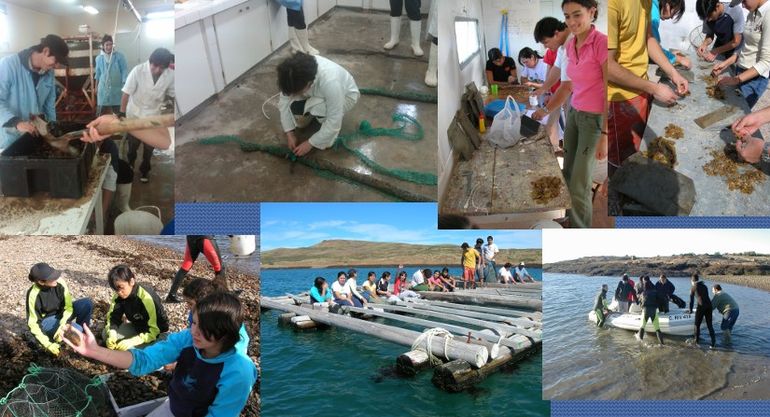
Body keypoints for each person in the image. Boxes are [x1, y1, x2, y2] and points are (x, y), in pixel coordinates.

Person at [64, 292, 257, 417]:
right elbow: (144, 360)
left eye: (203, 327)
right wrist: (94, 351)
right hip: (174, 406)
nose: (194, 331)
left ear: (225, 331)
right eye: (194, 322)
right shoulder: (188, 339)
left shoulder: (239, 371)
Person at [533, 0, 607, 228]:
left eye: (577, 15)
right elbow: (565, 80)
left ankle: (580, 228)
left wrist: (604, 134)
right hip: (575, 111)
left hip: (594, 120)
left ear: (592, 12)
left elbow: (609, 91)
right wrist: (544, 89)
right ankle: (570, 217)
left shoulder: (601, 43)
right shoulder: (569, 45)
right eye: (567, 16)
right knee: (567, 171)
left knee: (580, 183)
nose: (572, 22)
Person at [606, 0, 688, 176]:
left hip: (640, 88)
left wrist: (673, 73)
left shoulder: (647, 3)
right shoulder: (612, 4)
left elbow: (648, 38)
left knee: (638, 151)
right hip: (618, 99)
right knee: (620, 161)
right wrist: (654, 88)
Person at [277, 52, 360, 157]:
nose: (293, 95)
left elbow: (334, 120)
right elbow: (284, 102)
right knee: (293, 104)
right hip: (320, 91)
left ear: (308, 84)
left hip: (346, 96)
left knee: (319, 109)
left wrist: (310, 143)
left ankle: (327, 136)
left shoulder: (331, 82)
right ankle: (313, 115)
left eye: (296, 92)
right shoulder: (291, 74)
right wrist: (289, 132)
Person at [0, 34, 68, 150]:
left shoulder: (49, 73)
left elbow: (49, 105)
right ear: (46, 51)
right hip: (10, 139)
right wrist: (17, 123)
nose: (56, 66)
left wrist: (53, 131)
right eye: (56, 60)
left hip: (34, 135)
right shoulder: (8, 66)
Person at [122, 47, 174, 183]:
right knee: (132, 146)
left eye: (161, 68)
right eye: (155, 66)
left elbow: (173, 94)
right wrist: (121, 114)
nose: (157, 70)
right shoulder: (138, 71)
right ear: (150, 62)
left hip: (153, 115)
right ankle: (130, 165)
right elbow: (126, 93)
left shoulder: (170, 75)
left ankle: (145, 169)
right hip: (135, 114)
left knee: (149, 147)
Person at [25, 263, 92, 357]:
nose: (56, 278)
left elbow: (68, 307)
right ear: (41, 282)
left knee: (86, 303)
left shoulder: (59, 283)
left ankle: (83, 337)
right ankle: (68, 340)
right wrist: (47, 344)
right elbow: (33, 324)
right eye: (52, 277)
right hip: (46, 320)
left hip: (61, 314)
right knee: (77, 329)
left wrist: (64, 322)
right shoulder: (33, 294)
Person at [713, 0, 770, 109]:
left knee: (737, 113)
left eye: (744, 0)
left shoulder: (768, 14)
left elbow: (766, 62)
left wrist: (736, 79)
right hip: (740, 71)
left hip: (754, 79)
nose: (743, 6)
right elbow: (746, 45)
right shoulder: (752, 12)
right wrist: (726, 63)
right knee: (728, 110)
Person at [104, 265, 169, 351]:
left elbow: (155, 330)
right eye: (116, 289)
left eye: (121, 288)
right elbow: (113, 317)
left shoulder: (146, 297)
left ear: (132, 281)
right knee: (106, 334)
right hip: (137, 327)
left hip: (157, 333)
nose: (119, 292)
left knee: (130, 351)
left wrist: (133, 341)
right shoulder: (118, 297)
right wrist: (112, 333)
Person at [533, 17, 572, 152]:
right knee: (566, 125)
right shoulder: (562, 47)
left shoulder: (570, 46)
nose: (545, 46)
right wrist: (544, 88)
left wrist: (544, 110)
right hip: (567, 92)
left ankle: (569, 156)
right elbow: (556, 70)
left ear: (556, 33)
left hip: (580, 95)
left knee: (572, 128)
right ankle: (563, 152)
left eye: (546, 42)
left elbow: (567, 86)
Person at [167, 236, 226, 303]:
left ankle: (171, 295)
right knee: (219, 267)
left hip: (191, 237)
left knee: (186, 265)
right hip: (205, 237)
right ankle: (224, 296)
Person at [94, 35, 128, 115]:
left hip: (117, 88)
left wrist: (124, 84)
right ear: (103, 46)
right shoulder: (99, 58)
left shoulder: (119, 56)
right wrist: (96, 87)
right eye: (107, 45)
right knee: (101, 113)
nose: (109, 47)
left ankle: (121, 126)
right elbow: (98, 73)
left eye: (111, 44)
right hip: (103, 88)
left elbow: (124, 70)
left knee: (119, 113)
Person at [651, 0, 689, 69]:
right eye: (673, 13)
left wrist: (670, 54)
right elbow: (651, 46)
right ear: (668, 4)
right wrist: (678, 59)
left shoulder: (651, 6)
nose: (671, 17)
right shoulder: (654, 16)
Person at [686, 273, 716, 348]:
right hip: (709, 306)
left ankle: (696, 341)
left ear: (692, 280)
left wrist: (690, 310)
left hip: (701, 306)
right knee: (710, 325)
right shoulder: (704, 286)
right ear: (698, 279)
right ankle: (713, 343)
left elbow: (691, 301)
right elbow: (704, 296)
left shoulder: (693, 287)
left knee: (697, 325)